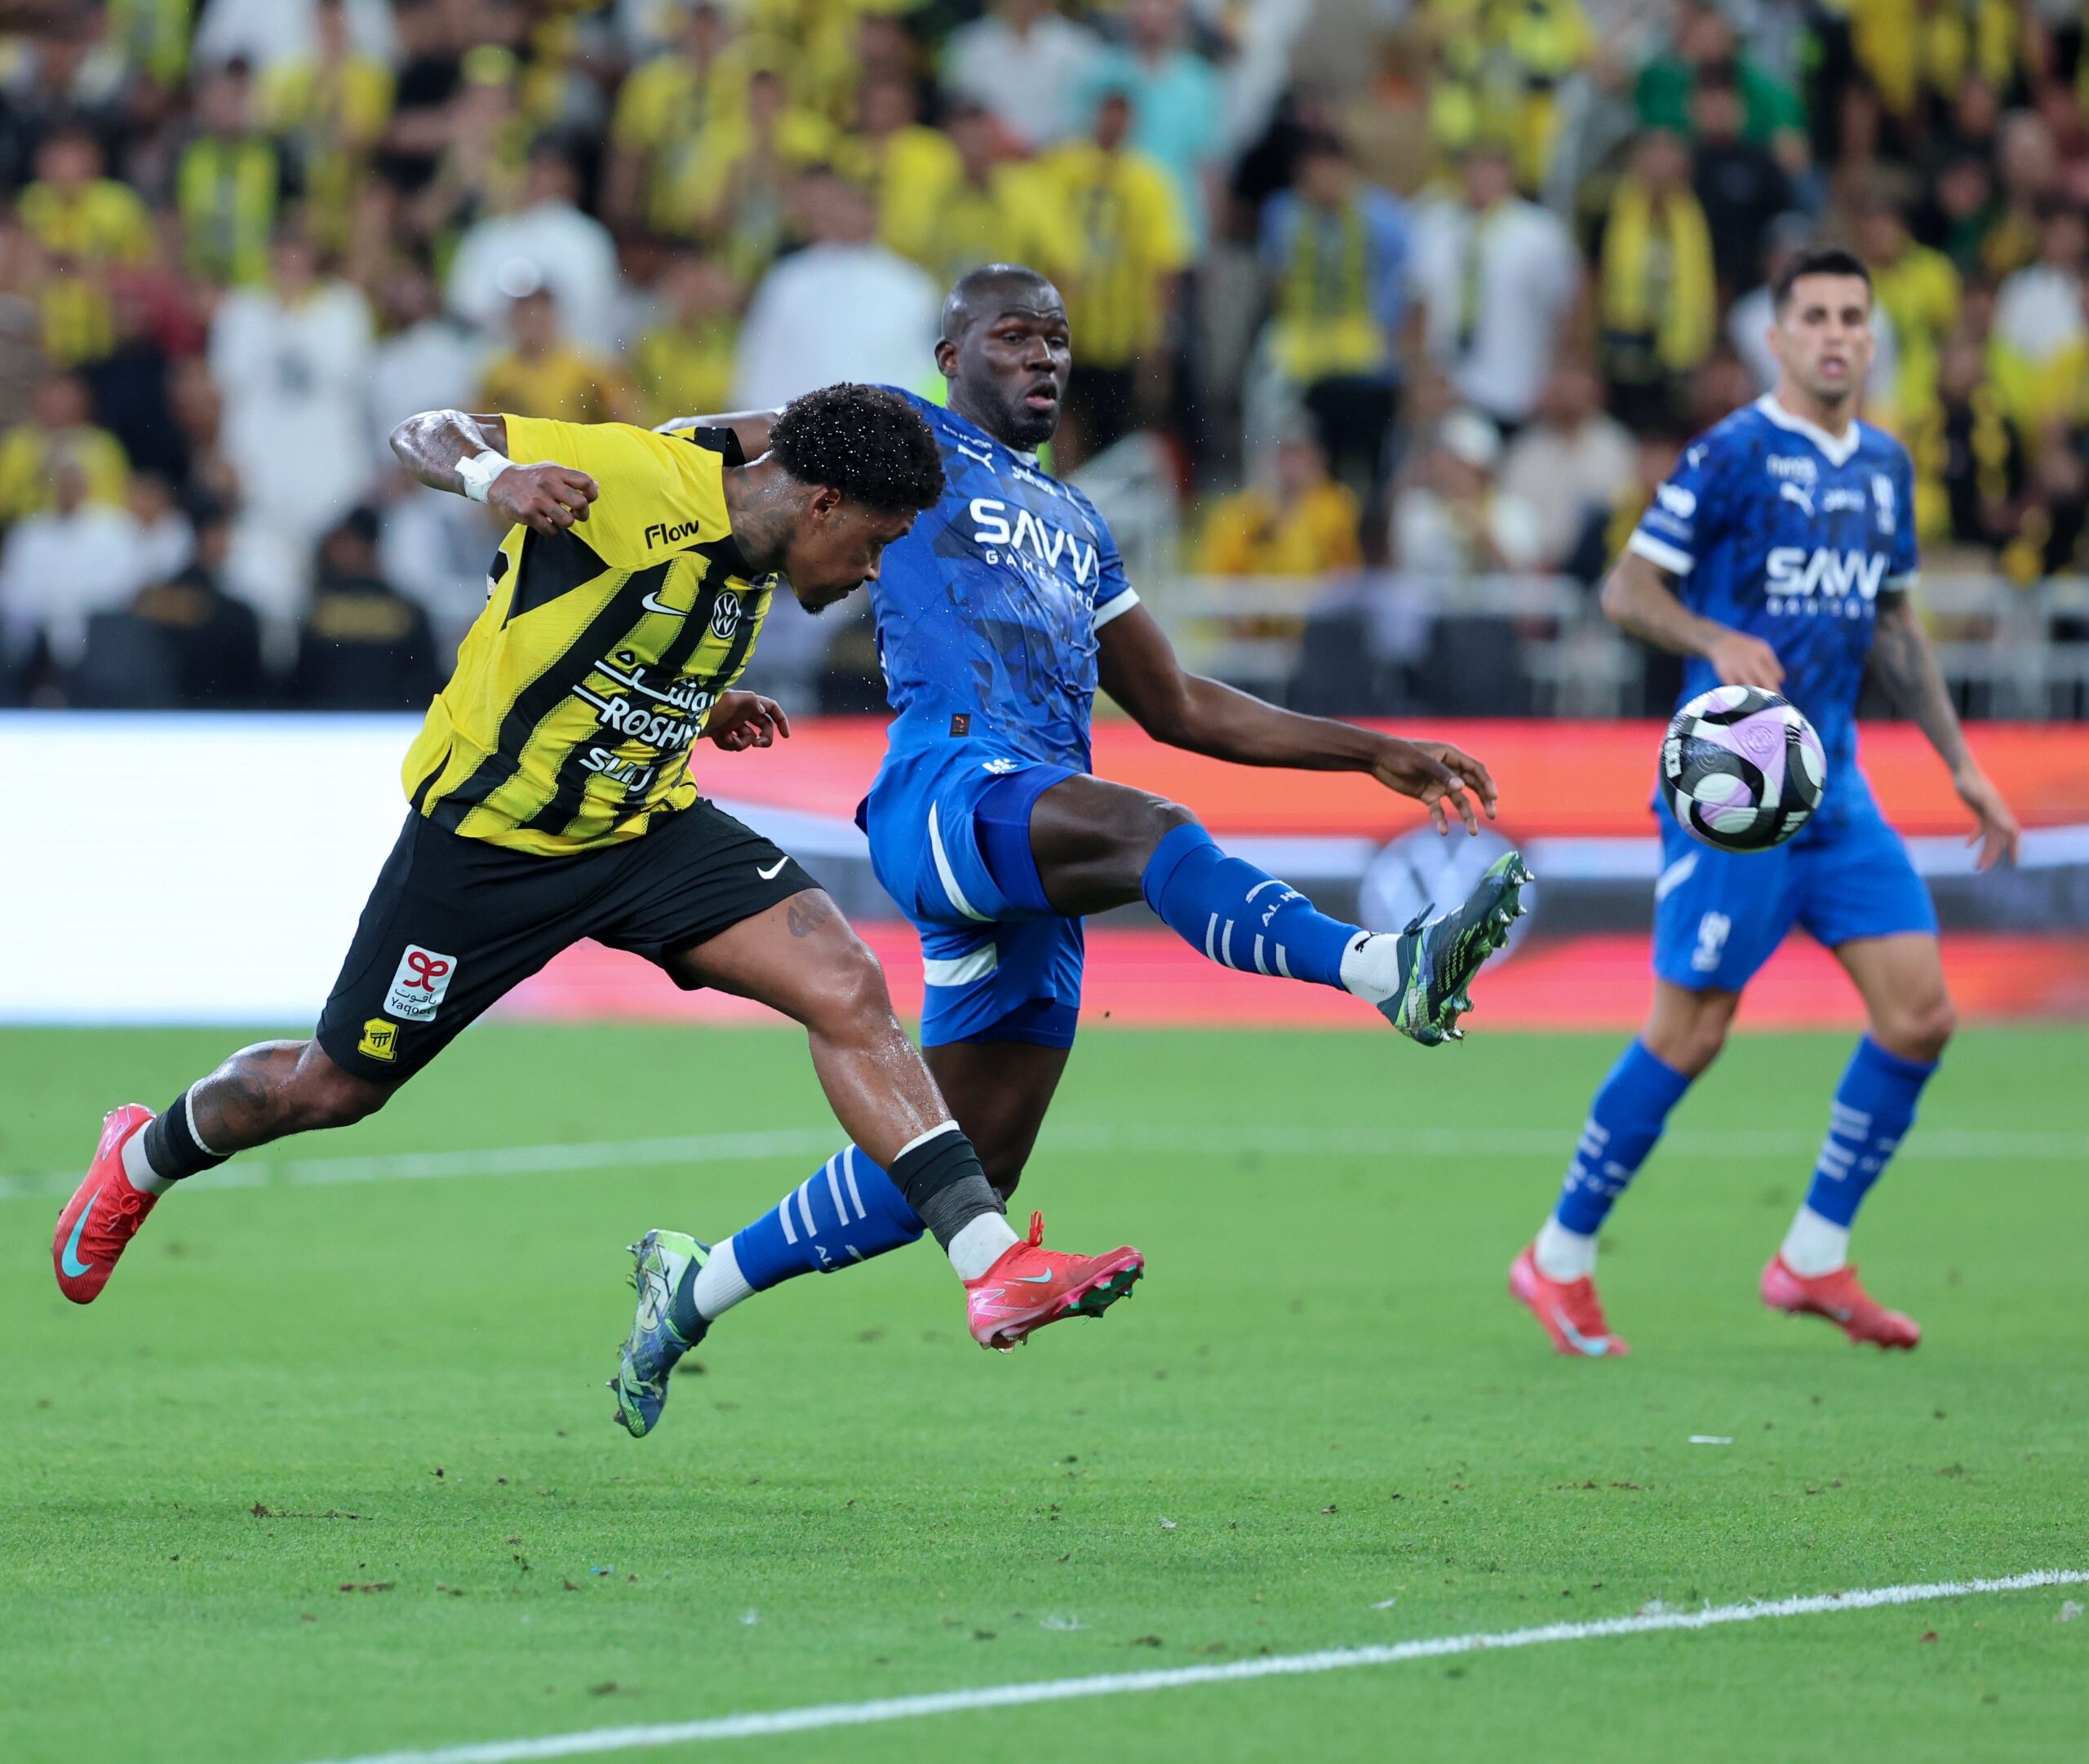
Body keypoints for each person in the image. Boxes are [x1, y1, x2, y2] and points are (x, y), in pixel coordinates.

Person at [51, 383, 1145, 1429]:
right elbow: (420, 429)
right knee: (331, 1086)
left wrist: (696, 697)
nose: (872, 569)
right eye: (873, 540)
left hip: (646, 831)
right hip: (491, 846)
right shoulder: (627, 477)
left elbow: (628, 614)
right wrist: (495, 474)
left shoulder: (760, 505)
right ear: (821, 503)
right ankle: (141, 1157)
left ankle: (989, 1261)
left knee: (849, 986)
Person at [633, 264, 1531, 1439]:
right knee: (1148, 827)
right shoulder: (899, 438)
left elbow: (1180, 705)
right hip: (947, 787)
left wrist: (1369, 752)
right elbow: (692, 455)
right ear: (950, 352)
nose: (1046, 356)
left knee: (960, 1166)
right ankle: (1384, 969)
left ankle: (690, 1286)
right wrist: (648, 580)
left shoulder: (1078, 526)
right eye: (1013, 335)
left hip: (1031, 844)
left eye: (1057, 337)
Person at [1508, 249, 2022, 1358]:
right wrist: (1716, 637)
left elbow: (1893, 623)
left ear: (1872, 339)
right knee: (1690, 1031)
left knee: (1921, 1013)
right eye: (1815, 317)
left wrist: (1962, 763)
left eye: (1853, 317)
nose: (1836, 334)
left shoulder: (1885, 466)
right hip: (1733, 790)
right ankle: (1557, 1256)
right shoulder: (1734, 452)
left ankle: (1815, 1255)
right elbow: (1624, 588)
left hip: (1835, 787)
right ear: (1778, 339)